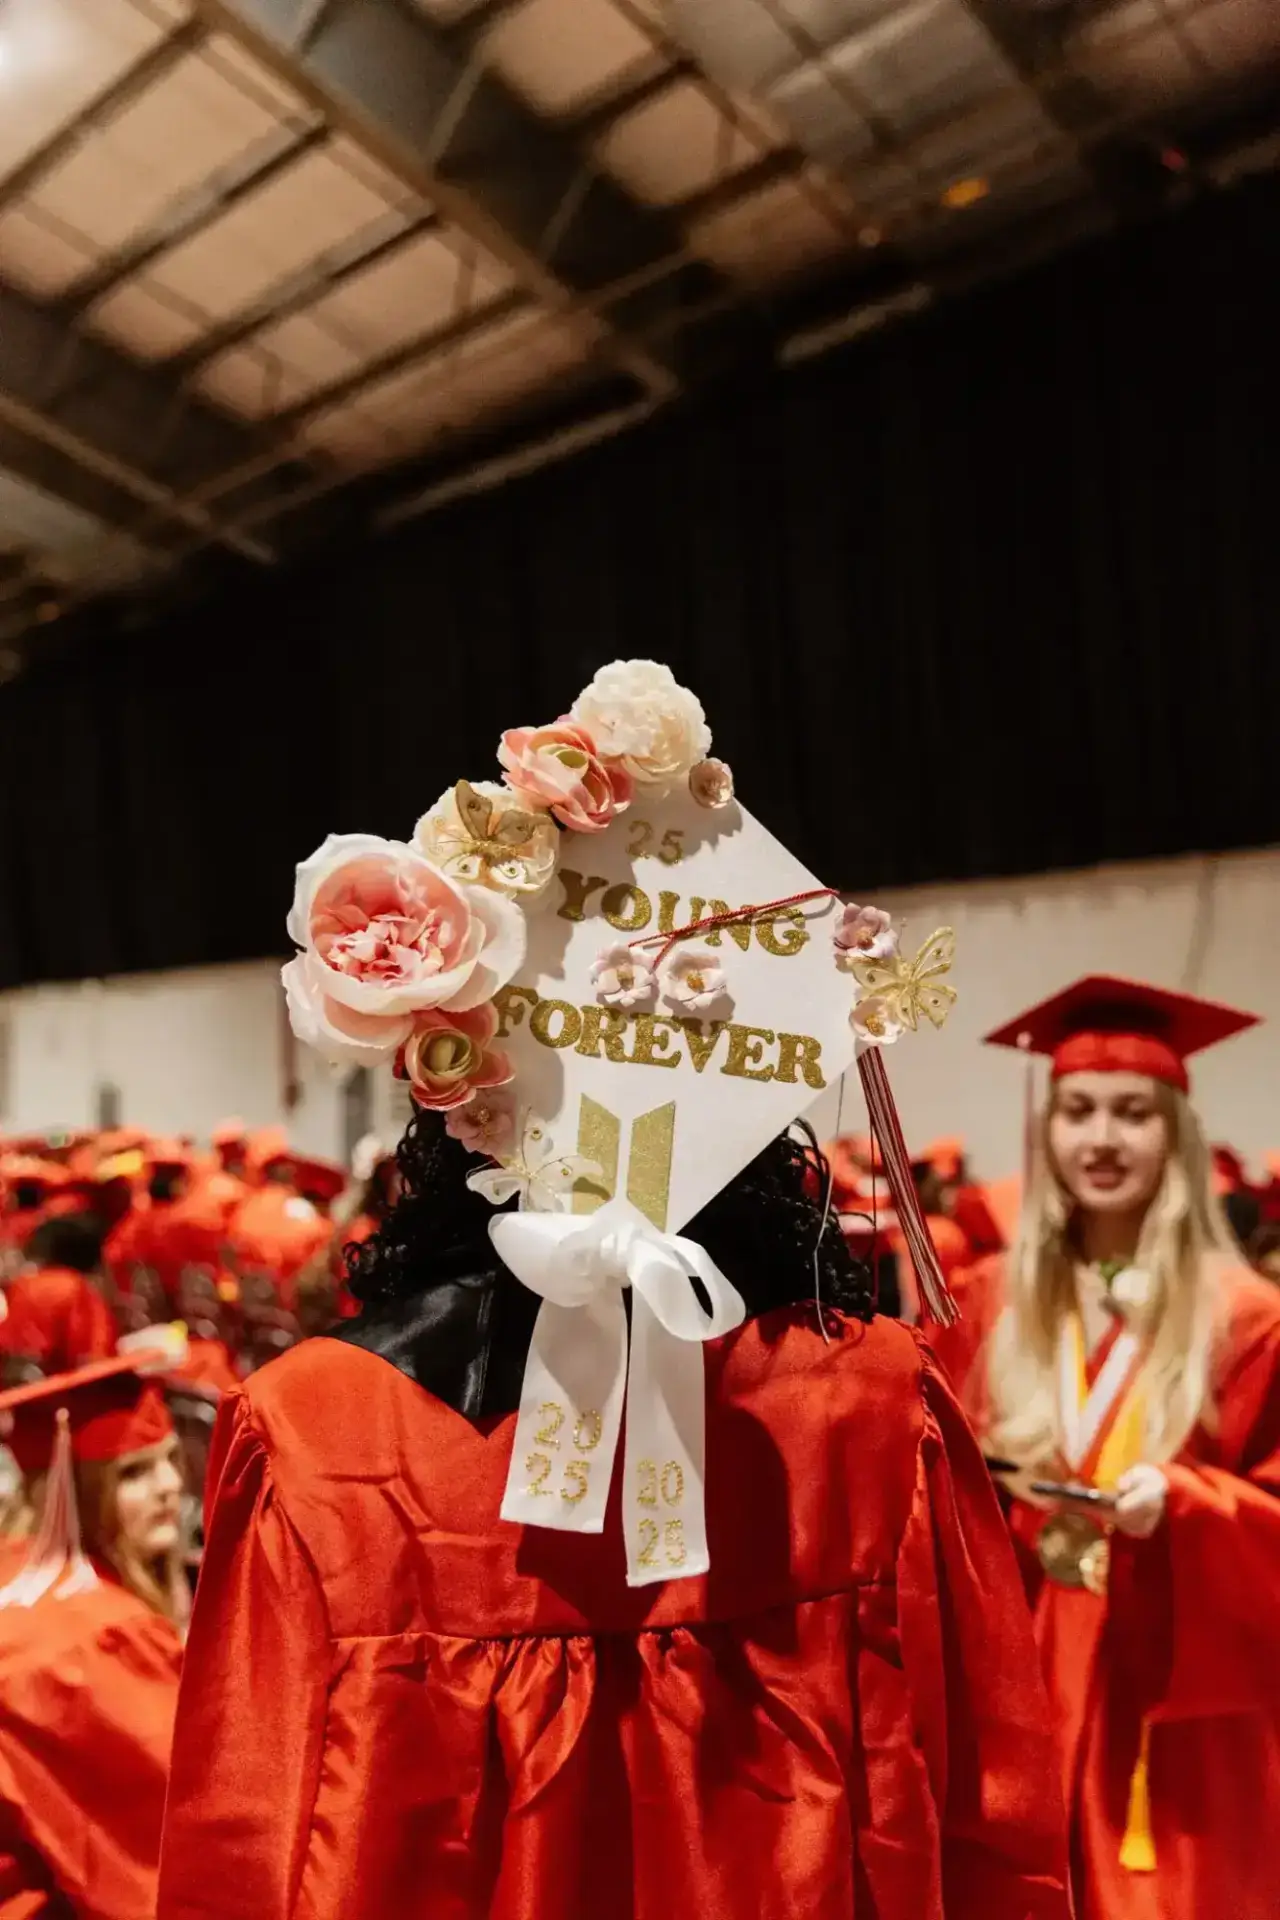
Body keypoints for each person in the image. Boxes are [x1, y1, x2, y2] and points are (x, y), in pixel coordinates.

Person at [159, 656, 1068, 1920]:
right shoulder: (869, 1412)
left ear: (444, 1098)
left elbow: (245, 1846)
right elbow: (991, 1820)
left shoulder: (318, 1436)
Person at [936, 975, 1280, 1920]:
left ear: (1177, 1133)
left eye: (1132, 1113)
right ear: (1046, 1130)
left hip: (1174, 1672)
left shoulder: (1245, 1317)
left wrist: (1184, 1503)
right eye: (1078, 1111)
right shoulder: (993, 1300)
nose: (1100, 1140)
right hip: (1029, 1658)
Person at [0, 1353, 186, 1916]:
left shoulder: (15, 1569)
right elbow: (173, 1825)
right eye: (133, 1473)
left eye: (171, 1460)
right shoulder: (99, 1639)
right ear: (71, 1490)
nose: (171, 1486)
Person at [0, 1213, 115, 1379]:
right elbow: (95, 1362)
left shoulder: (24, 1285)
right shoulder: (74, 1289)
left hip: (23, 1394)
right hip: (68, 1396)